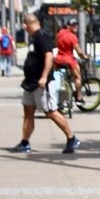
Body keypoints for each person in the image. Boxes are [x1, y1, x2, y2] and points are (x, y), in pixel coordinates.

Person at [9, 13, 78, 155]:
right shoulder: (35, 37)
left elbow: (49, 56)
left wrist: (44, 77)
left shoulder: (41, 36)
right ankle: (24, 142)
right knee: (28, 112)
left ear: (25, 25)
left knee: (51, 111)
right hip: (30, 83)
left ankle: (71, 138)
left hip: (41, 83)